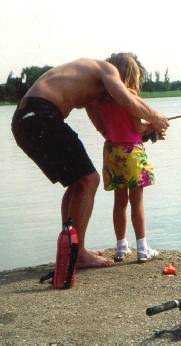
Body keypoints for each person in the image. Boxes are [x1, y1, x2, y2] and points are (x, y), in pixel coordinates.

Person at [11, 53, 169, 268]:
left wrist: (143, 133)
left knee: (78, 182)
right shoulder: (106, 69)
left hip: (24, 120)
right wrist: (155, 118)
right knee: (88, 180)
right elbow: (125, 98)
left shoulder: (89, 88)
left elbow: (105, 131)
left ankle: (71, 247)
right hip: (41, 115)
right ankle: (78, 254)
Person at [88, 60, 160, 263]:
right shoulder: (130, 96)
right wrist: (151, 126)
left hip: (112, 151)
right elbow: (137, 127)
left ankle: (121, 247)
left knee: (119, 202)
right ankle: (142, 248)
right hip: (132, 152)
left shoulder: (102, 100)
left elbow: (105, 127)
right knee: (137, 201)